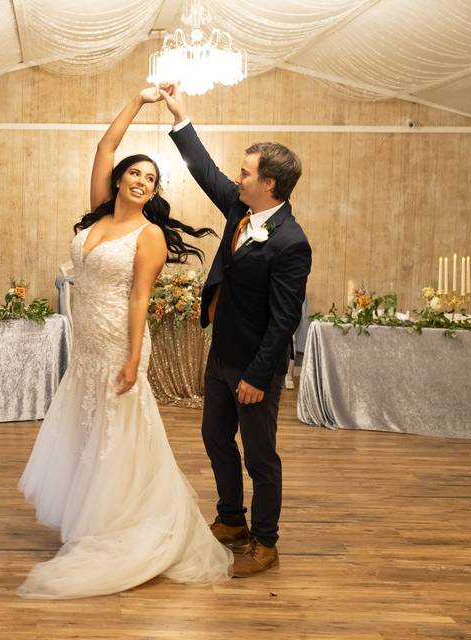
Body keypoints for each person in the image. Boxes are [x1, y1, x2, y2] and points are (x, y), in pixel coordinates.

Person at [17, 88, 232, 599]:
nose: (141, 181)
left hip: (120, 342)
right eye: (135, 173)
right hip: (87, 343)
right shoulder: (98, 215)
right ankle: (89, 514)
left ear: (155, 190)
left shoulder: (150, 234)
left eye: (151, 178)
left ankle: (122, 519)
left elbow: (140, 298)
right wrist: (138, 102)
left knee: (118, 434)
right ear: (119, 180)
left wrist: (135, 358)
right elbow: (103, 148)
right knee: (87, 429)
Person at [160, 83, 311, 576]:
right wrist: (181, 116)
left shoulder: (290, 242)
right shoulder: (239, 209)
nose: (237, 178)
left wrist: (257, 375)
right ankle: (231, 520)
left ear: (269, 183)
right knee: (215, 439)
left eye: (245, 172)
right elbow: (205, 171)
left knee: (260, 457)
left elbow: (285, 318)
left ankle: (265, 542)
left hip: (253, 367)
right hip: (220, 354)